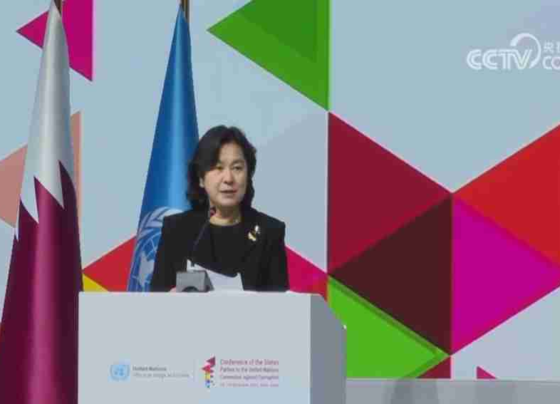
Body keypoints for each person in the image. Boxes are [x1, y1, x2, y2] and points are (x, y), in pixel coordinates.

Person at [150, 126, 289, 292]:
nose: (228, 178)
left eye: (237, 168)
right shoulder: (176, 230)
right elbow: (156, 299)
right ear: (201, 178)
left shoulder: (269, 231)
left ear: (248, 175)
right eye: (218, 167)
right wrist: (168, 299)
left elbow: (281, 303)